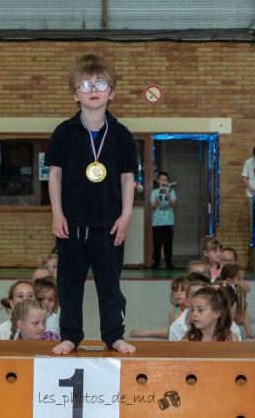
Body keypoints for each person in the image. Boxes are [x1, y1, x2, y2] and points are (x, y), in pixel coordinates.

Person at [45, 54, 137, 355]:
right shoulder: (63, 132)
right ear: (75, 93)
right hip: (70, 225)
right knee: (69, 286)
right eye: (85, 84)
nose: (92, 89)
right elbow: (54, 175)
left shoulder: (122, 135)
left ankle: (114, 336)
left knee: (110, 287)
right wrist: (57, 212)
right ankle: (70, 336)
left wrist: (126, 216)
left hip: (110, 226)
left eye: (100, 83)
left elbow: (127, 179)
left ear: (112, 92)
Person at [130, 275, 188, 339]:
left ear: (189, 292)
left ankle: (147, 332)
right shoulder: (173, 311)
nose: (178, 293)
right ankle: (147, 333)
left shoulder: (192, 309)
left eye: (182, 290)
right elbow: (172, 333)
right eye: (175, 290)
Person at [150, 171, 176, 270]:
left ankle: (168, 263)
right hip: (157, 223)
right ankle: (156, 262)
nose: (163, 181)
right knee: (157, 244)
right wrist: (157, 202)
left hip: (169, 222)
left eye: (165, 180)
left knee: (168, 244)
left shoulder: (171, 192)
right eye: (162, 179)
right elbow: (152, 206)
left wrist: (169, 198)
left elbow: (173, 204)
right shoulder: (154, 192)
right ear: (158, 181)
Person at [222, 264, 255, 339]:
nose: (242, 281)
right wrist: (227, 283)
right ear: (229, 280)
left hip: (235, 316)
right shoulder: (223, 285)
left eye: (243, 278)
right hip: (223, 316)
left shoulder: (236, 287)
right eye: (239, 279)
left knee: (244, 307)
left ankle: (249, 333)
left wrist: (239, 282)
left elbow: (248, 289)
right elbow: (223, 284)